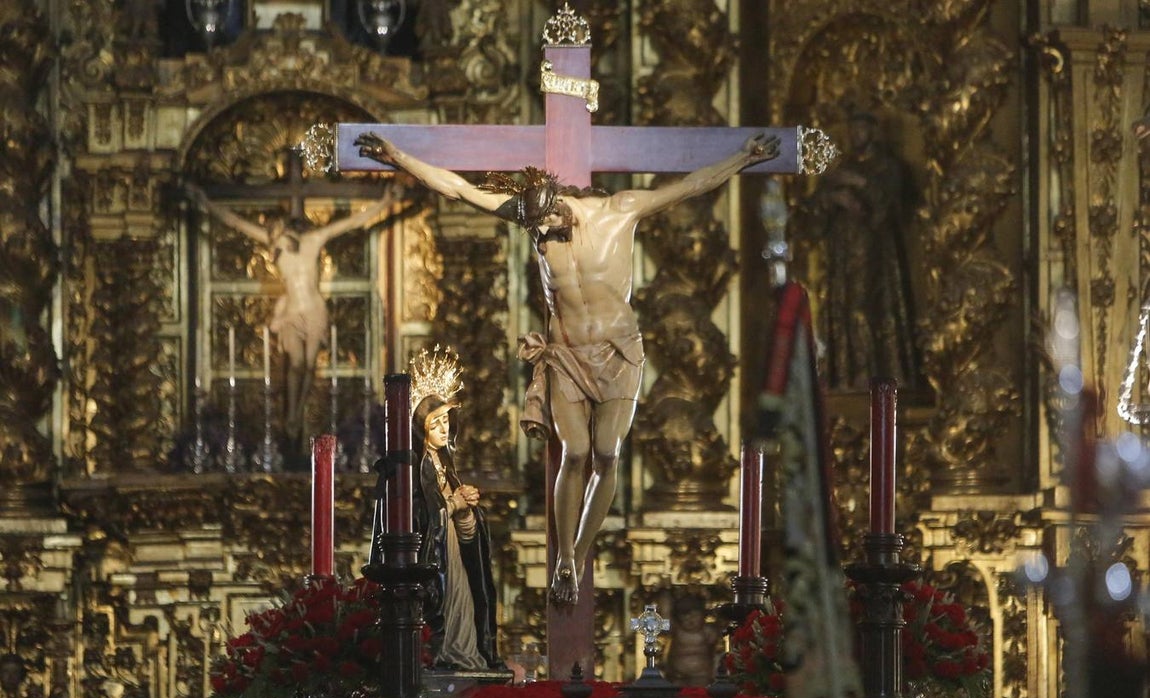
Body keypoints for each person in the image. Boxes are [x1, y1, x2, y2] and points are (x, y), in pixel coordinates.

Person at [354, 130, 779, 605]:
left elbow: (691, 187)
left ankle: (579, 548)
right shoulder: (530, 217)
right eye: (533, 230)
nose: (541, 235)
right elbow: (456, 187)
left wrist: (743, 158)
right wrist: (397, 156)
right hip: (567, 354)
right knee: (574, 452)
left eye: (547, 226)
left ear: (559, 203)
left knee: (607, 452)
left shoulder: (620, 211)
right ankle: (566, 560)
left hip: (617, 350)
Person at [186, 183, 398, 448]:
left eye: (275, 234)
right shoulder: (277, 247)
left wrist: (385, 202)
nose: (272, 243)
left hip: (314, 310)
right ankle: (292, 415)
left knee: (307, 365)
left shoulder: (314, 240)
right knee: (296, 364)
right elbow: (236, 222)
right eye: (271, 237)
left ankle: (295, 414)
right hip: (292, 313)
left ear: (284, 228)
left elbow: (352, 223)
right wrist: (205, 201)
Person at [805, 111, 921, 391]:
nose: (856, 134)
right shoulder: (840, 168)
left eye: (861, 129)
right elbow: (813, 211)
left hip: (874, 254)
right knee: (843, 309)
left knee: (866, 309)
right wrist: (834, 198)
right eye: (852, 129)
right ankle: (845, 374)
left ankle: (874, 373)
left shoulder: (885, 166)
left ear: (872, 131)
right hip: (842, 252)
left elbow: (891, 205)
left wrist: (859, 185)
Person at [411, 377, 500, 670]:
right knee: (450, 608)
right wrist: (453, 505)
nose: (443, 429)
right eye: (435, 424)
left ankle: (465, 652)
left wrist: (466, 511)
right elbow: (420, 522)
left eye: (446, 421)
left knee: (468, 602)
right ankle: (446, 652)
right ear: (422, 430)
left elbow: (463, 528)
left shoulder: (447, 465)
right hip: (438, 560)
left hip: (454, 558)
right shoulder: (419, 468)